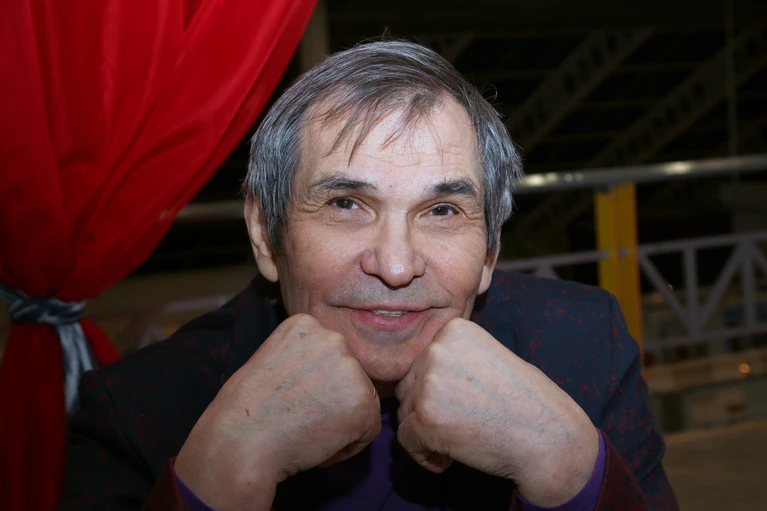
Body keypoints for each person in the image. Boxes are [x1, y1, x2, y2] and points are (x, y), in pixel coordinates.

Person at [62, 41, 678, 511]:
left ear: (490, 250)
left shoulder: (584, 347)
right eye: (345, 204)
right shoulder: (138, 411)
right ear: (266, 234)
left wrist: (566, 465)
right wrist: (220, 478)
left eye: (442, 211)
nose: (396, 265)